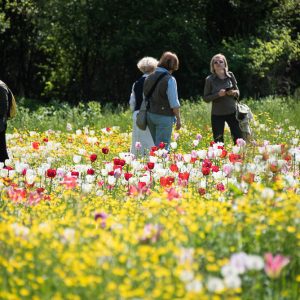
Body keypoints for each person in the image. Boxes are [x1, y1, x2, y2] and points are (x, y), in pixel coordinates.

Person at [144, 51, 181, 151]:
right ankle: (160, 166)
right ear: (174, 66)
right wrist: (178, 118)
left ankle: (151, 165)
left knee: (153, 146)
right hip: (164, 116)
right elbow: (174, 103)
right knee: (162, 148)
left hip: (150, 114)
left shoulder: (148, 77)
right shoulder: (170, 79)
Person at [203, 53, 243, 144]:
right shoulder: (209, 79)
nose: (218, 63)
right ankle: (219, 158)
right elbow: (206, 98)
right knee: (218, 141)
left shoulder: (230, 75)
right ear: (213, 66)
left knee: (238, 138)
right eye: (215, 62)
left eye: (220, 61)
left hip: (232, 112)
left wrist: (233, 93)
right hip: (217, 114)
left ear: (225, 64)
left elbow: (238, 92)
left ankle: (239, 157)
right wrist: (218, 94)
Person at [129, 57, 158, 156]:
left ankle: (137, 160)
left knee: (137, 141)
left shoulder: (136, 83)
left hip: (137, 115)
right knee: (149, 141)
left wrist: (135, 111)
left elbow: (132, 102)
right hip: (149, 114)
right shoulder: (153, 82)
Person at [0, 80, 10, 163]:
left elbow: (3, 109)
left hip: (0, 124)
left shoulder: (1, 86)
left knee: (2, 151)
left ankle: (4, 170)